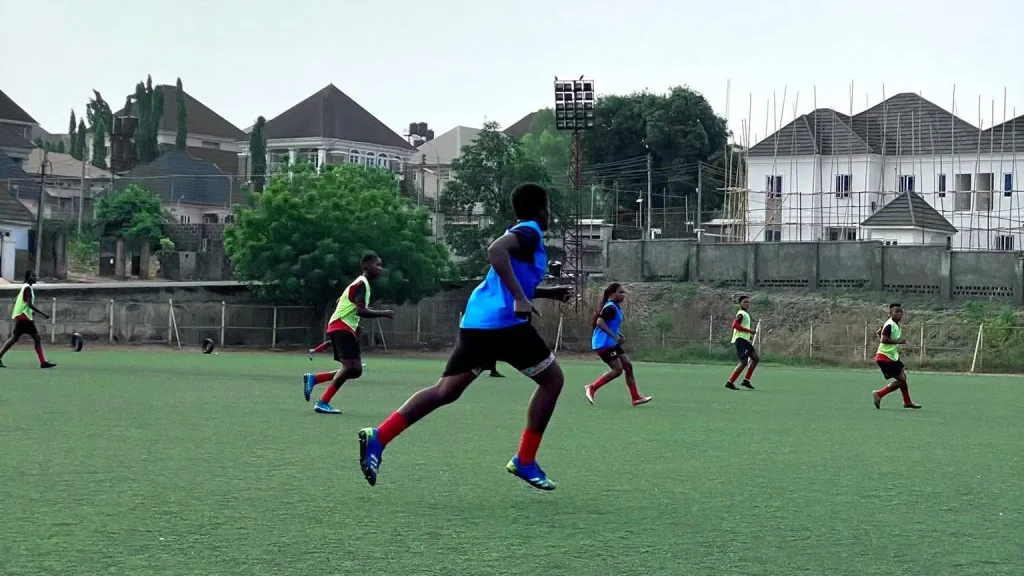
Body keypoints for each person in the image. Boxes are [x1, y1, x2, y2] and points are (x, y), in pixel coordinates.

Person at [358, 182, 572, 491]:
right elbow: (494, 251)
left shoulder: (524, 237)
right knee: (552, 380)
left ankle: (378, 437)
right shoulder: (530, 232)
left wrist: (545, 293)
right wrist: (519, 298)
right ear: (540, 209)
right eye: (548, 207)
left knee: (446, 391)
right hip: (504, 325)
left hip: (480, 322)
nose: (549, 213)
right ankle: (524, 460)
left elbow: (510, 278)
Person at [302, 254, 393, 414]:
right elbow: (360, 310)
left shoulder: (359, 283)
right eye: (377, 265)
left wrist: (354, 326)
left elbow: (341, 301)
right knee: (352, 368)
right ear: (367, 267)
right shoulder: (362, 284)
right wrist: (383, 313)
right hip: (341, 327)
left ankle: (315, 379)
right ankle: (322, 402)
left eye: (381, 265)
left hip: (341, 327)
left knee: (354, 369)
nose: (380, 269)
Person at [584, 282, 652, 406]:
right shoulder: (610, 307)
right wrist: (614, 335)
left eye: (623, 293)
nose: (623, 295)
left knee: (628, 367)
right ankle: (592, 388)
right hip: (603, 344)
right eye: (620, 292)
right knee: (617, 370)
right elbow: (600, 322)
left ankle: (635, 398)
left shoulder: (615, 307)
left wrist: (618, 334)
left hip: (611, 343)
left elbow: (611, 324)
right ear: (611, 294)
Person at [0, 270, 56, 369]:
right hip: (24, 317)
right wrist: (43, 313)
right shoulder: (27, 288)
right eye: (33, 276)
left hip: (22, 316)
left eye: (35, 276)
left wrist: (28, 311)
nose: (35, 277)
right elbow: (29, 304)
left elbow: (17, 301)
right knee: (36, 338)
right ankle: (43, 362)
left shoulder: (24, 287)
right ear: (28, 277)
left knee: (14, 339)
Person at [872, 303, 922, 410]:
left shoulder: (894, 324)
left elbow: (880, 334)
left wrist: (881, 334)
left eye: (900, 312)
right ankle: (879, 394)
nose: (899, 314)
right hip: (885, 357)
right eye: (896, 311)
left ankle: (907, 402)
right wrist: (898, 341)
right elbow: (884, 339)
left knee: (902, 378)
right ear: (890, 313)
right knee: (901, 380)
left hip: (891, 356)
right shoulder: (890, 324)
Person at [725, 295, 758, 390]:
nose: (747, 304)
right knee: (747, 361)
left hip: (744, 340)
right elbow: (735, 325)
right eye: (745, 302)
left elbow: (741, 328)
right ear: (740, 304)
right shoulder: (741, 314)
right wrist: (749, 331)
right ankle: (733, 381)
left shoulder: (745, 314)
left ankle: (743, 381)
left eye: (748, 302)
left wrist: (749, 335)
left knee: (753, 359)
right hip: (740, 340)